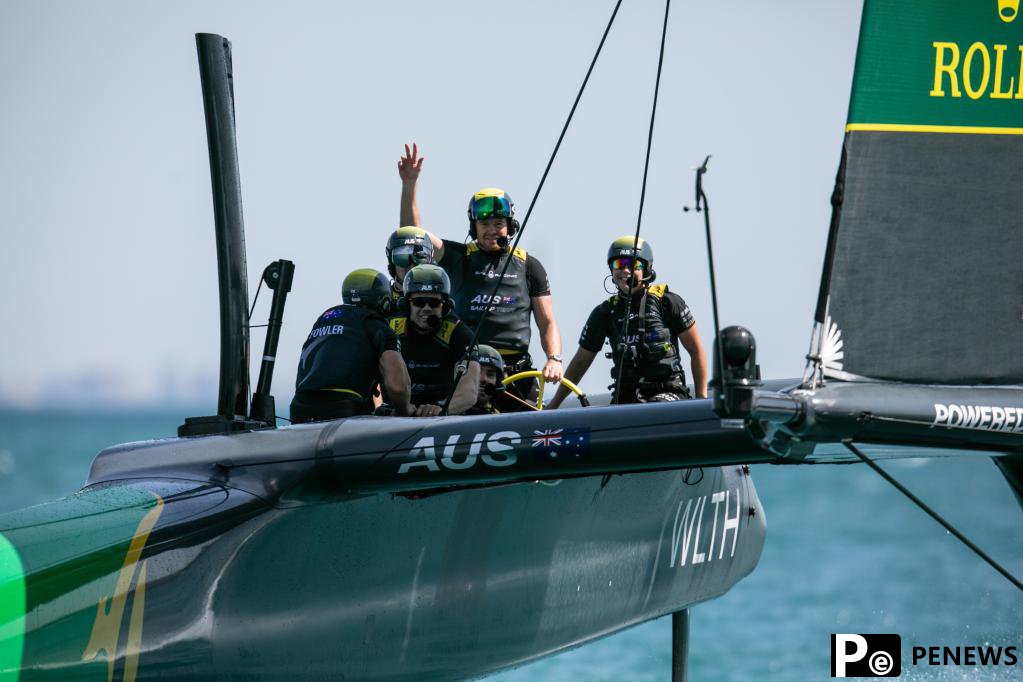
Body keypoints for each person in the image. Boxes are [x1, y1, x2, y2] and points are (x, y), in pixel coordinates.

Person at [397, 143, 563, 407]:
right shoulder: (460, 257)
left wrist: (554, 359)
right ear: (474, 227)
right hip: (468, 368)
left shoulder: (529, 265)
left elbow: (548, 322)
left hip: (516, 372)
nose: (491, 230)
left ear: (510, 227)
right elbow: (412, 235)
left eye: (499, 224)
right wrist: (410, 184)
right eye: (484, 224)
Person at [547, 236, 709, 408]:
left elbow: (696, 350)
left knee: (652, 410)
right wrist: (554, 405)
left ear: (646, 269)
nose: (625, 271)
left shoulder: (668, 302)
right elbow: (580, 361)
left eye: (633, 265)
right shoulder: (604, 313)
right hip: (626, 399)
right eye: (619, 265)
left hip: (669, 395)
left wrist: (702, 401)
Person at [291, 268, 414, 422]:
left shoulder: (325, 318)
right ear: (384, 301)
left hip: (298, 408)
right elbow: (397, 386)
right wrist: (405, 410)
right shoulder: (377, 326)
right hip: (342, 410)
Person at [388, 264, 480, 416]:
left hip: (441, 418)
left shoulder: (460, 334)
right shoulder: (390, 329)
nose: (426, 308)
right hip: (393, 415)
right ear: (406, 305)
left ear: (445, 307)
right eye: (419, 302)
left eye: (434, 303)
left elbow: (469, 391)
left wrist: (443, 409)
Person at [384, 225, 435, 302]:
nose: (411, 267)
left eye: (420, 257)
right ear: (391, 262)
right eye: (402, 258)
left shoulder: (437, 300)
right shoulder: (383, 299)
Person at [465, 344, 505, 415]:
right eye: (477, 372)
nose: (483, 379)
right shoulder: (442, 414)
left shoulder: (499, 420)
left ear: (497, 383)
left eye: (490, 374)